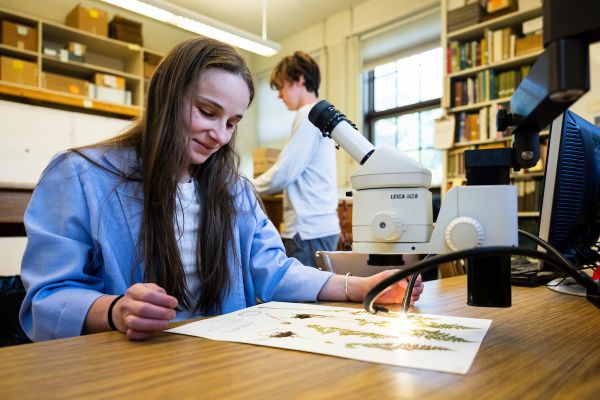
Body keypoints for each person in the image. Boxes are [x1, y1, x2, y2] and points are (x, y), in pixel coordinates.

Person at [19, 38, 423, 342]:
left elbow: (274, 271)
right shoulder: (80, 176)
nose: (219, 135)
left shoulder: (234, 191)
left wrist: (361, 287)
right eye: (207, 112)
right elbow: (48, 297)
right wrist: (114, 310)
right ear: (165, 97)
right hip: (132, 364)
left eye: (231, 122)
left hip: (223, 357)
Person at [253, 51, 340, 268]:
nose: (279, 95)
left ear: (300, 79)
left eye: (281, 86)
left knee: (302, 301)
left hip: (308, 230)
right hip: (321, 228)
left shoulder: (308, 115)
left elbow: (284, 172)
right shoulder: (320, 116)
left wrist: (243, 186)